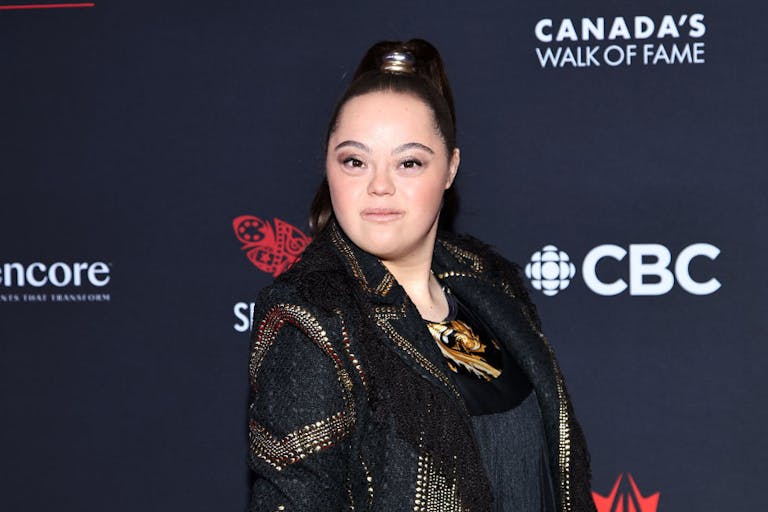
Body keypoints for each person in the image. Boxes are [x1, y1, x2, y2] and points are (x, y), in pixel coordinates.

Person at [246, 38, 595, 512]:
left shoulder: (490, 285)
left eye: (409, 162)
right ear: (328, 168)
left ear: (450, 169)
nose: (380, 185)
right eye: (355, 161)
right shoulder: (311, 319)